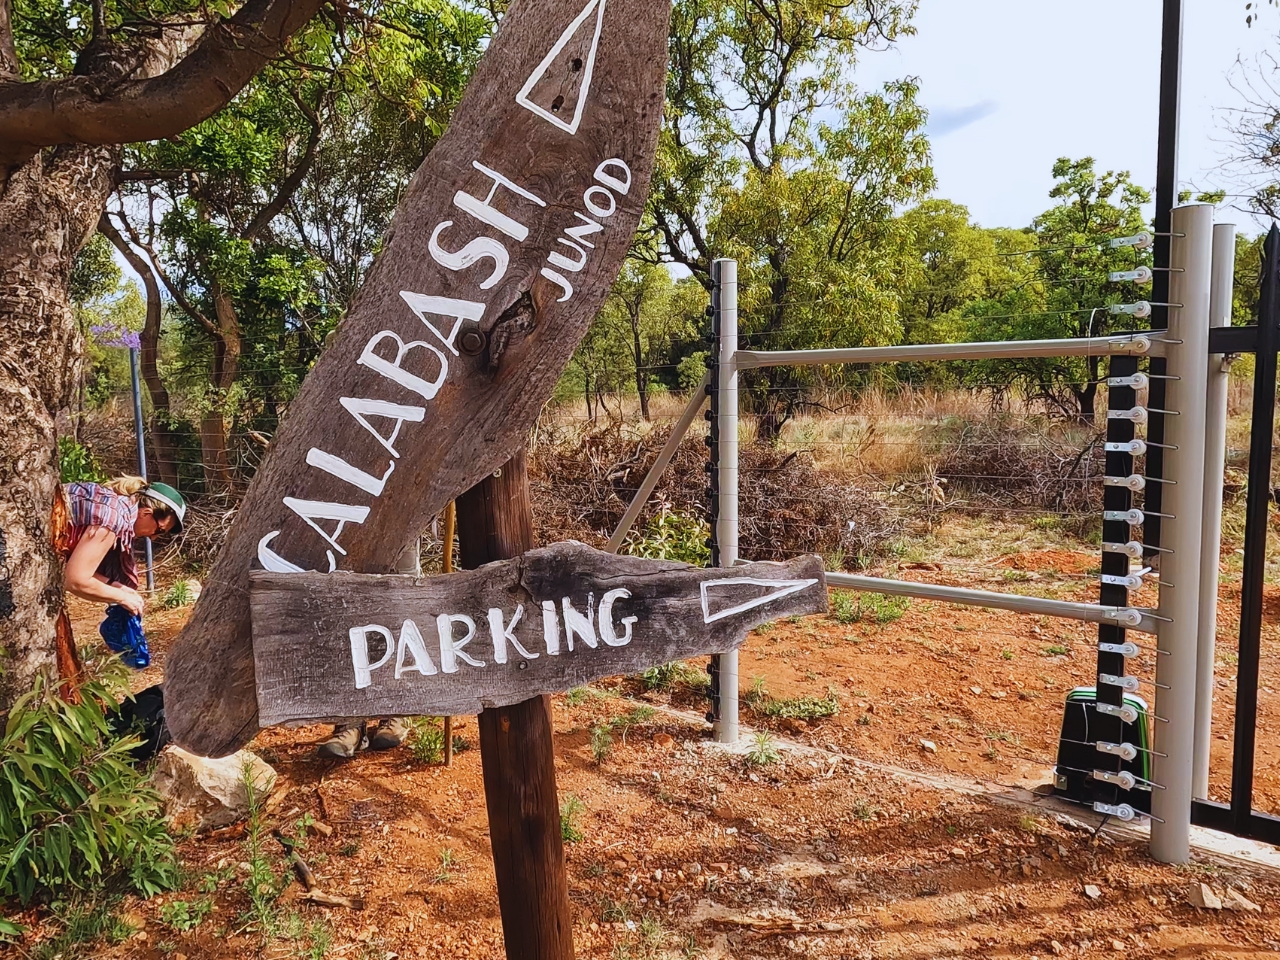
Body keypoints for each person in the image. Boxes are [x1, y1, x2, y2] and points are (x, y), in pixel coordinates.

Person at [61, 477, 185, 616]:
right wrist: (122, 598)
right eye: (159, 530)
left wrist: (116, 586)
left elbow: (69, 569)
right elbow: (75, 581)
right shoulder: (111, 519)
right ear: (146, 513)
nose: (153, 537)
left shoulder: (110, 504)